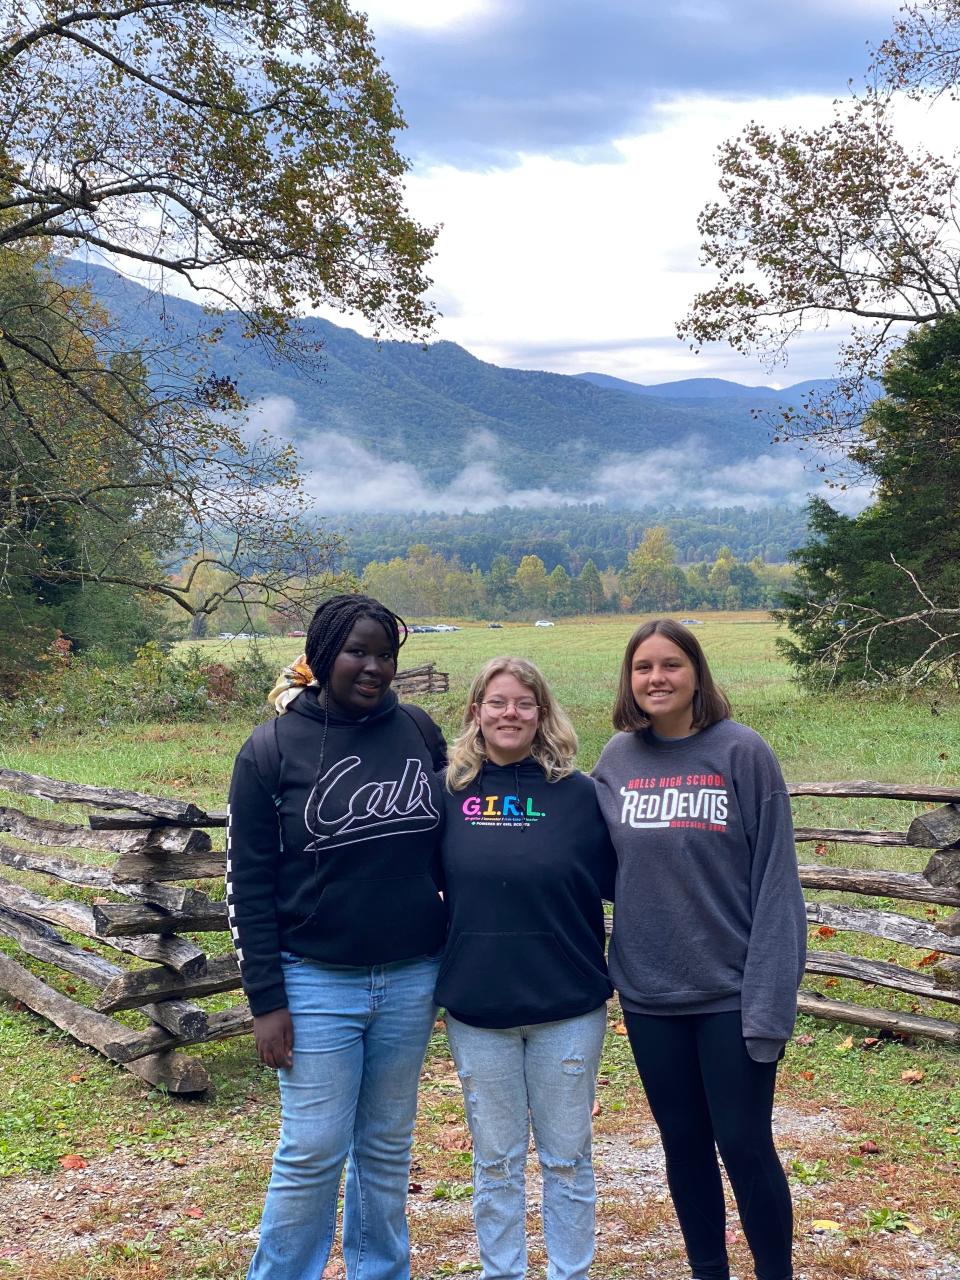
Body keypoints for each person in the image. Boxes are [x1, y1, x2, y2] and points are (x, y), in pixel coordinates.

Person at [226, 594, 447, 1280]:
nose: (373, 666)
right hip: (314, 978)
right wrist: (266, 999)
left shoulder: (419, 731)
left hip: (412, 975)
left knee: (384, 1145)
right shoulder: (271, 748)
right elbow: (248, 883)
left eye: (384, 653)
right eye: (358, 651)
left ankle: (379, 1269)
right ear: (323, 656)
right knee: (314, 1146)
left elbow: (451, 852)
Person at [592, 619, 806, 1280]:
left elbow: (777, 886)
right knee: (683, 1145)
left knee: (743, 1144)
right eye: (643, 667)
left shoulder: (743, 754)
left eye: (671, 664)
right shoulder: (615, 762)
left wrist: (769, 1002)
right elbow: (594, 868)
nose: (656, 678)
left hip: (730, 993)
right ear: (630, 680)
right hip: (651, 995)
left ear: (696, 673)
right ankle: (707, 1270)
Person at [436, 656, 616, 1280]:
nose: (510, 714)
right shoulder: (447, 791)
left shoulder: (580, 795)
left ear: (542, 714)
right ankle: (502, 1272)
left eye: (523, 703)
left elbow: (632, 882)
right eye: (497, 702)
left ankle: (571, 1272)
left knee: (567, 1158)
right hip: (478, 1008)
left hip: (567, 1006)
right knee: (495, 1161)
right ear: (476, 712)